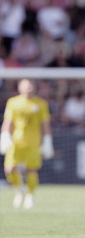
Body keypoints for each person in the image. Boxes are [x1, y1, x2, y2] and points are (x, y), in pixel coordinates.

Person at [0, 79, 54, 209]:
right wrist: (5, 136)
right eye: (26, 86)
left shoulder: (41, 103)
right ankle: (19, 190)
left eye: (31, 86)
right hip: (16, 142)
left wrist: (47, 141)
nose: (29, 88)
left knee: (31, 170)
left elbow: (45, 124)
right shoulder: (13, 102)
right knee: (9, 169)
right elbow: (8, 122)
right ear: (20, 88)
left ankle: (30, 195)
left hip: (33, 142)